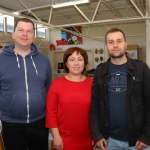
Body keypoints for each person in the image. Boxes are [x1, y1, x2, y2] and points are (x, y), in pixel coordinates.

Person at [90, 28, 150, 150]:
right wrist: (96, 134)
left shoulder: (141, 68)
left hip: (138, 142)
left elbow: (149, 103)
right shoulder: (100, 71)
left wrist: (147, 135)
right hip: (108, 141)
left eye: (119, 41)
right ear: (106, 46)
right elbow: (95, 106)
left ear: (125, 44)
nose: (115, 45)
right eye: (111, 42)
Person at [0, 18, 52, 150]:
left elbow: (48, 89)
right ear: (13, 34)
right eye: (21, 30)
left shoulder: (44, 61)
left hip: (40, 122)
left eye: (29, 31)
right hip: (11, 124)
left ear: (34, 36)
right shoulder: (1, 60)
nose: (25, 34)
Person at [46, 47, 93, 150]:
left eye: (80, 59)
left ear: (84, 63)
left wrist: (96, 135)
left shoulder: (92, 84)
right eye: (72, 59)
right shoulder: (56, 84)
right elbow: (51, 112)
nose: (76, 63)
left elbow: (97, 111)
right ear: (66, 64)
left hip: (87, 138)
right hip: (63, 139)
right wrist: (56, 136)